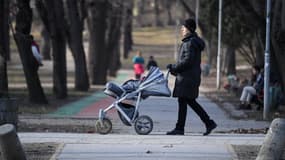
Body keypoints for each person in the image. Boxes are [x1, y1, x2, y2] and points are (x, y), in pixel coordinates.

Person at [166, 18, 217, 136]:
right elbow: (188, 62)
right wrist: (176, 69)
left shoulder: (189, 43)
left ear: (189, 29)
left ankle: (183, 127)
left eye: (183, 28)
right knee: (187, 101)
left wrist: (174, 67)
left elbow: (187, 61)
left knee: (187, 101)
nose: (181, 29)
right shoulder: (191, 42)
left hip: (187, 78)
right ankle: (206, 123)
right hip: (189, 77)